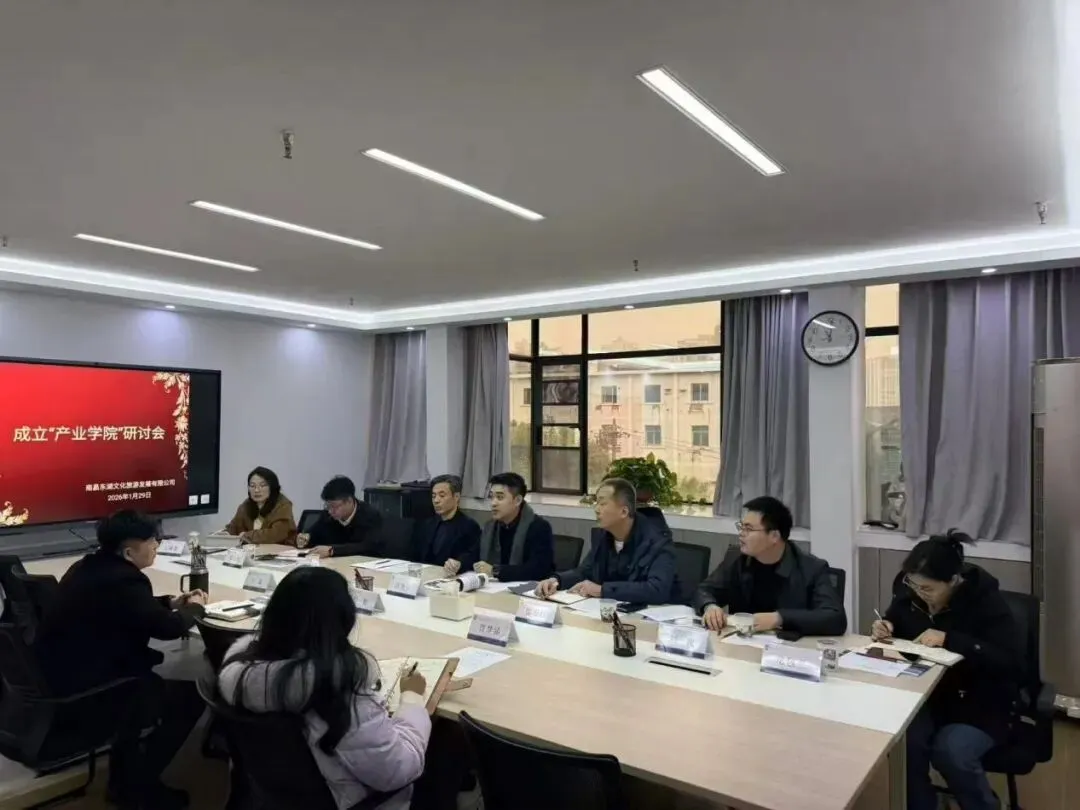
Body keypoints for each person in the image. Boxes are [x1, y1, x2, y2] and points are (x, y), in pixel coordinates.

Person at [217, 567, 470, 810]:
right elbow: (399, 769)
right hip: (352, 799)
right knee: (448, 736)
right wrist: (412, 699)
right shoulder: (338, 691)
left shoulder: (245, 675)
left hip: (284, 796)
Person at [34, 510, 208, 810]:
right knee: (189, 699)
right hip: (95, 687)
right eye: (152, 541)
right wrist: (195, 608)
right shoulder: (126, 581)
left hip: (64, 675)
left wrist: (170, 602)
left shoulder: (89, 567)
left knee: (155, 693)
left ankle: (123, 779)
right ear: (129, 552)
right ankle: (138, 786)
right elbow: (168, 629)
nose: (157, 546)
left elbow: (128, 608)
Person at [871, 532, 1020, 810]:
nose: (919, 593)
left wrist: (950, 640)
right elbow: (897, 616)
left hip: (980, 702)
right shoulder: (910, 589)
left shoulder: (985, 601)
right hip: (927, 696)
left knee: (951, 751)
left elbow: (1008, 660)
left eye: (928, 589)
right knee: (904, 743)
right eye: (913, 584)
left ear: (953, 581)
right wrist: (887, 626)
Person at [693, 495, 846, 636]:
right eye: (741, 527)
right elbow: (703, 590)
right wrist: (710, 606)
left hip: (790, 649)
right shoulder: (736, 558)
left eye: (749, 529)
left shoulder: (812, 569)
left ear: (774, 536)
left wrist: (779, 618)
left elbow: (835, 618)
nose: (741, 533)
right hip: (743, 644)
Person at [537, 478, 680, 603]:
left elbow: (657, 589)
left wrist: (602, 590)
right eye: (596, 503)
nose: (596, 509)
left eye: (602, 503)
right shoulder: (603, 536)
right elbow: (585, 572)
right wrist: (556, 581)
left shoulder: (657, 541)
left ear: (624, 512)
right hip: (611, 612)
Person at [474, 472, 554, 582]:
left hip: (528, 589)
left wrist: (496, 571)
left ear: (517, 500)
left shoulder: (539, 527)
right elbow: (474, 554)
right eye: (491, 497)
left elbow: (537, 570)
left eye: (500, 497)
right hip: (495, 587)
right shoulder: (490, 527)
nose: (493, 503)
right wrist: (459, 563)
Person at [298, 475, 384, 558]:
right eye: (327, 506)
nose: (330, 511)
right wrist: (305, 538)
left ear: (349, 501)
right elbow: (314, 535)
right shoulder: (328, 515)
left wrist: (332, 550)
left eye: (334, 506)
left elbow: (366, 546)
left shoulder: (370, 515)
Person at [412, 474, 481, 575]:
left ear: (456, 497)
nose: (436, 500)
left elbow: (472, 556)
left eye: (442, 496)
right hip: (426, 574)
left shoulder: (469, 526)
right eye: (433, 496)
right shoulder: (427, 524)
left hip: (452, 577)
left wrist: (459, 563)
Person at [223, 466, 297, 545]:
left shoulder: (283, 505)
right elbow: (233, 527)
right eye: (252, 486)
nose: (257, 490)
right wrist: (223, 535)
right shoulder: (246, 505)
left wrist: (247, 536)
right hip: (253, 551)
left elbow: (276, 534)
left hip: (279, 550)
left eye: (262, 485)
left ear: (272, 487)